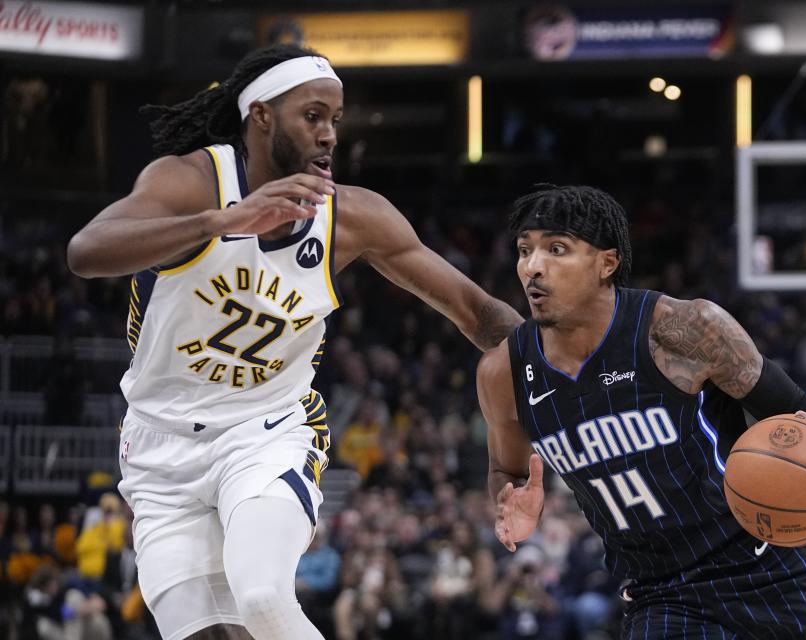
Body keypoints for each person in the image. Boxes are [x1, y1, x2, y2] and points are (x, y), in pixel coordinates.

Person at [66, 44, 520, 640]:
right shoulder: (192, 183)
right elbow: (86, 252)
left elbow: (477, 311)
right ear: (261, 116)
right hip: (159, 446)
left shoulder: (352, 216)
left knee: (261, 598)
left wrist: (591, 359)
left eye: (334, 119)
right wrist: (219, 223)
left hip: (267, 431)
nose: (329, 133)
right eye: (313, 116)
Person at [476, 184, 806, 639]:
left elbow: (791, 406)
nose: (533, 267)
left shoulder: (683, 330)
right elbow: (506, 470)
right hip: (665, 593)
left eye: (556, 249)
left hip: (768, 561)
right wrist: (508, 493)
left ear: (606, 263)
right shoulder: (509, 370)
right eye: (524, 251)